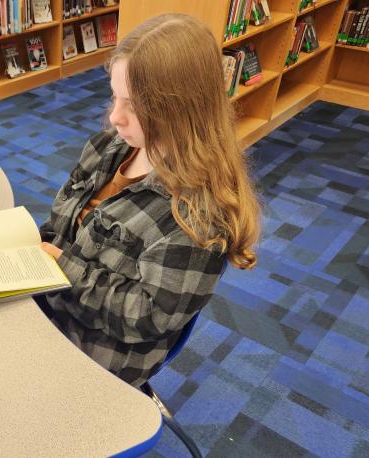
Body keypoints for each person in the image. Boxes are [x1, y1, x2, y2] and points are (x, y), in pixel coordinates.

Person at [38, 13, 261, 388]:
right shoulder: (109, 147)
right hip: (52, 302)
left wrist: (64, 269)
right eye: (114, 96)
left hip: (95, 353)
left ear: (181, 109)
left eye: (133, 104)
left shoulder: (197, 214)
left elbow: (148, 317)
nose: (114, 116)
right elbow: (58, 226)